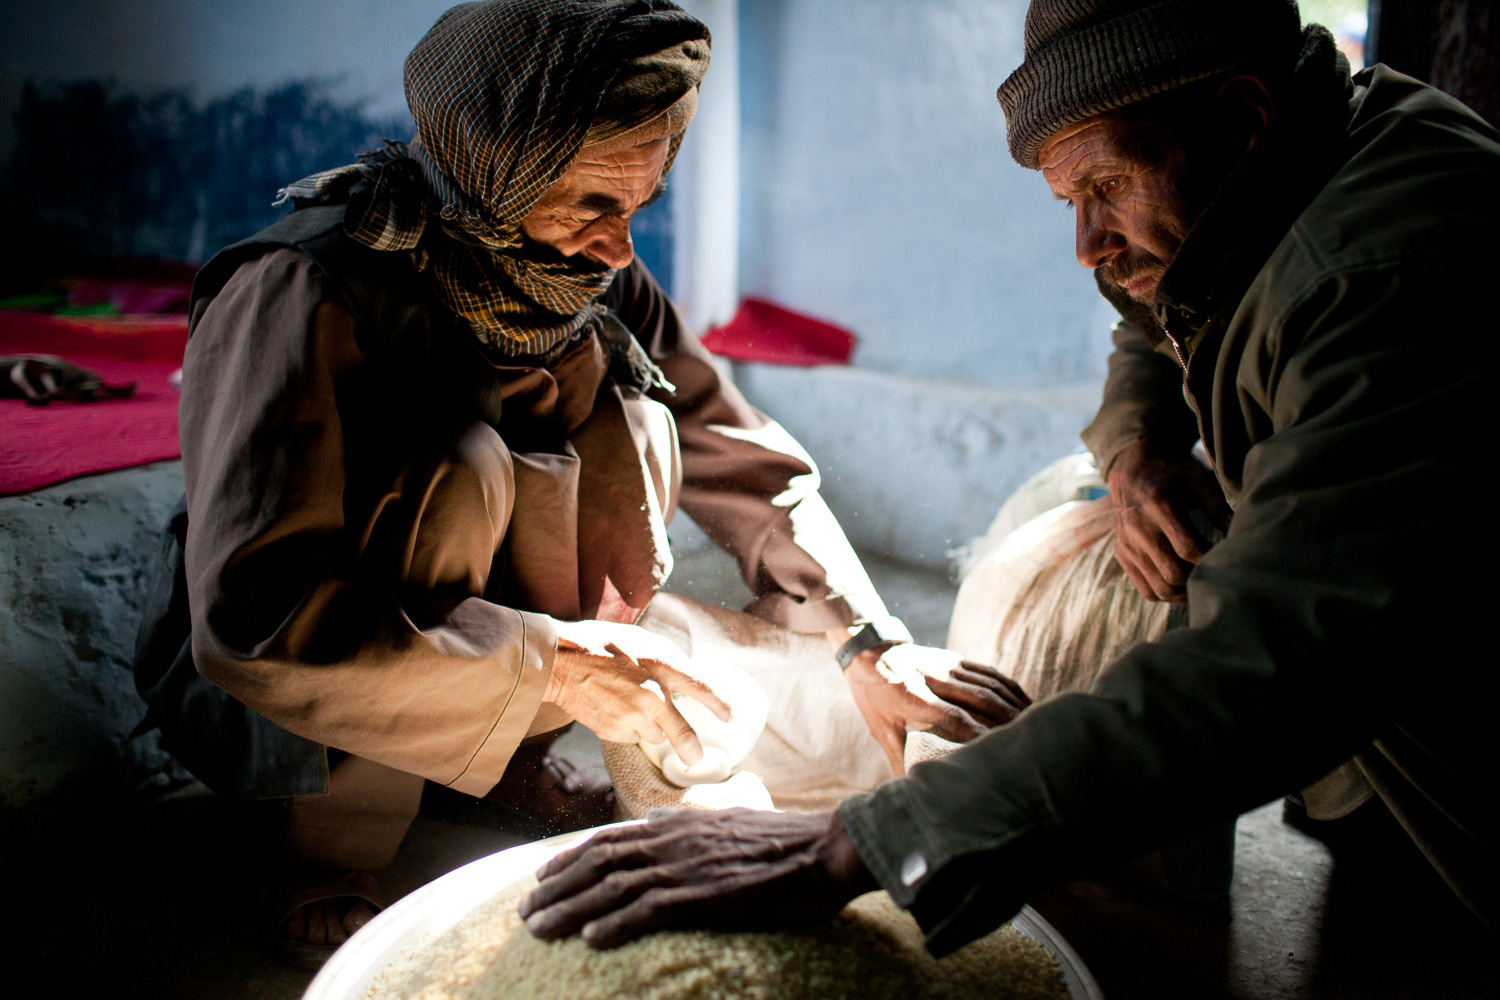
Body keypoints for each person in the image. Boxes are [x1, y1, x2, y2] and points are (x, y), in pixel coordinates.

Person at [520, 0, 1499, 955]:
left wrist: (855, 837)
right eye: (1070, 203)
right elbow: (1159, 303)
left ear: (1243, 121)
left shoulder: (1386, 274)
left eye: (1107, 186)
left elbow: (1277, 660)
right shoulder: (1298, 154)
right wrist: (1135, 447)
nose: (1089, 246)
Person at [131, 0, 1026, 964]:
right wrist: (555, 664)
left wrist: (866, 641)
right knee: (458, 472)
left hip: (489, 651)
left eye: (638, 206)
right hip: (293, 693)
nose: (621, 246)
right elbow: (258, 613)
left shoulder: (588, 283)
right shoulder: (303, 288)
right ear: (491, 172)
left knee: (636, 421)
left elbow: (742, 451)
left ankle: (501, 759)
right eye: (593, 205)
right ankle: (325, 840)